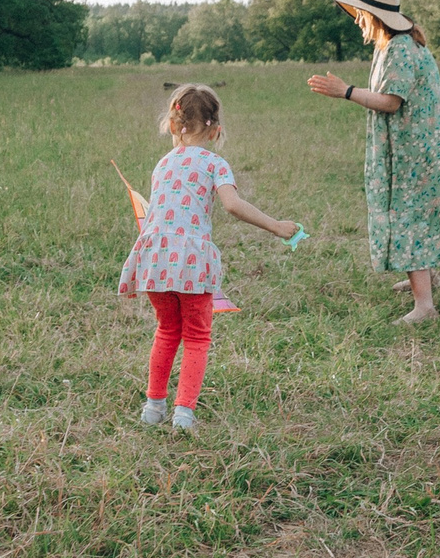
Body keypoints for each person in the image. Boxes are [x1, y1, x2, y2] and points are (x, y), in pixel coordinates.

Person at [117, 84, 302, 430]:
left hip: (155, 261)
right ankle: (184, 414)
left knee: (167, 330)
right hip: (190, 262)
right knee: (198, 336)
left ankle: (153, 408)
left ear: (174, 125)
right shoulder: (215, 162)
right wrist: (275, 225)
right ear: (216, 131)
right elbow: (232, 205)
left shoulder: (163, 164)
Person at [306, 0, 440, 325]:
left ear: (374, 17)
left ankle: (425, 306)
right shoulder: (391, 46)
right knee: (419, 217)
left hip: (422, 154)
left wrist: (345, 91)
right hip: (422, 149)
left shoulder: (400, 49)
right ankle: (428, 278)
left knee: (408, 219)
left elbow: (391, 102)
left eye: (359, 15)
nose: (356, 21)